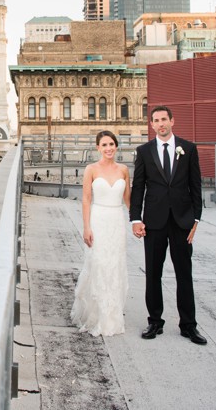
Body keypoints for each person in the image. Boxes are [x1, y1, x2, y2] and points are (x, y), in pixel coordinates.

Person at [130, 105, 206, 345]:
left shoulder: (189, 149)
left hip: (182, 221)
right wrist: (135, 218)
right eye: (156, 120)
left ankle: (189, 326)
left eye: (164, 119)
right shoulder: (144, 151)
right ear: (151, 124)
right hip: (154, 221)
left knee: (185, 273)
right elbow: (138, 187)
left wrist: (196, 219)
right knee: (153, 272)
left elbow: (196, 185)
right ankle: (155, 321)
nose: (160, 124)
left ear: (172, 121)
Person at [70, 130, 130, 336]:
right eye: (104, 145)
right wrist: (86, 227)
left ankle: (113, 316)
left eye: (112, 144)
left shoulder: (123, 170)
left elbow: (128, 199)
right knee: (99, 263)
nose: (109, 148)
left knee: (115, 265)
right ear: (98, 148)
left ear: (116, 146)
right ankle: (96, 314)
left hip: (117, 221)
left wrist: (138, 221)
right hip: (99, 219)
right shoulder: (91, 169)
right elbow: (86, 199)